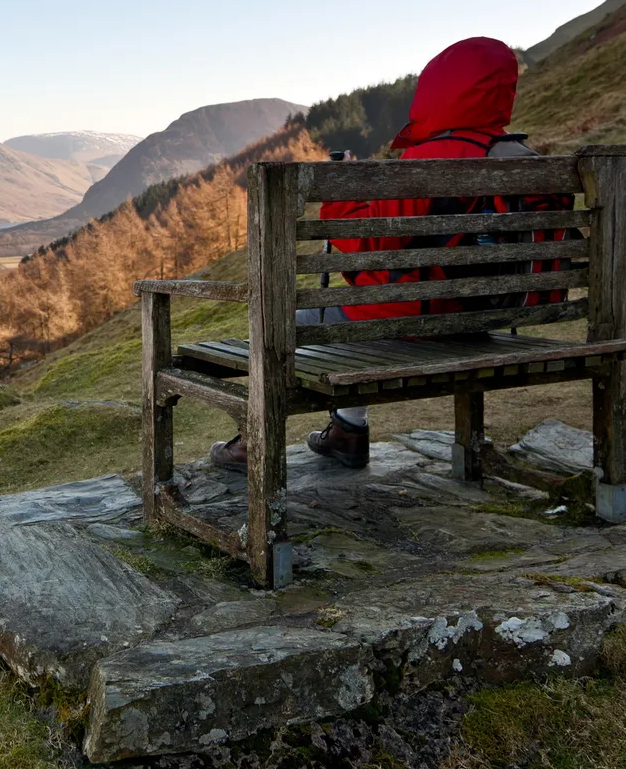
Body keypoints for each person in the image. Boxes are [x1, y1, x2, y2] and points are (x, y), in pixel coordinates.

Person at [210, 36, 563, 473]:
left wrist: (341, 191)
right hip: (483, 321)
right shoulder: (526, 158)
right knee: (369, 307)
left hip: (421, 324)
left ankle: (252, 443)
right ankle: (346, 433)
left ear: (439, 90)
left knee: (278, 323)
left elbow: (367, 250)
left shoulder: (428, 161)